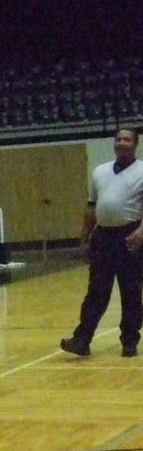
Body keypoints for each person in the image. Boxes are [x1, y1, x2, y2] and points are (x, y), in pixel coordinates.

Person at [61, 127, 143, 357]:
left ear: (135, 144)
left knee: (131, 291)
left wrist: (141, 231)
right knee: (95, 292)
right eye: (118, 139)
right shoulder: (100, 171)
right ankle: (81, 340)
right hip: (103, 237)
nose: (122, 143)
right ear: (113, 143)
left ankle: (129, 340)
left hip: (130, 237)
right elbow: (90, 207)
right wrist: (84, 236)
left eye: (127, 139)